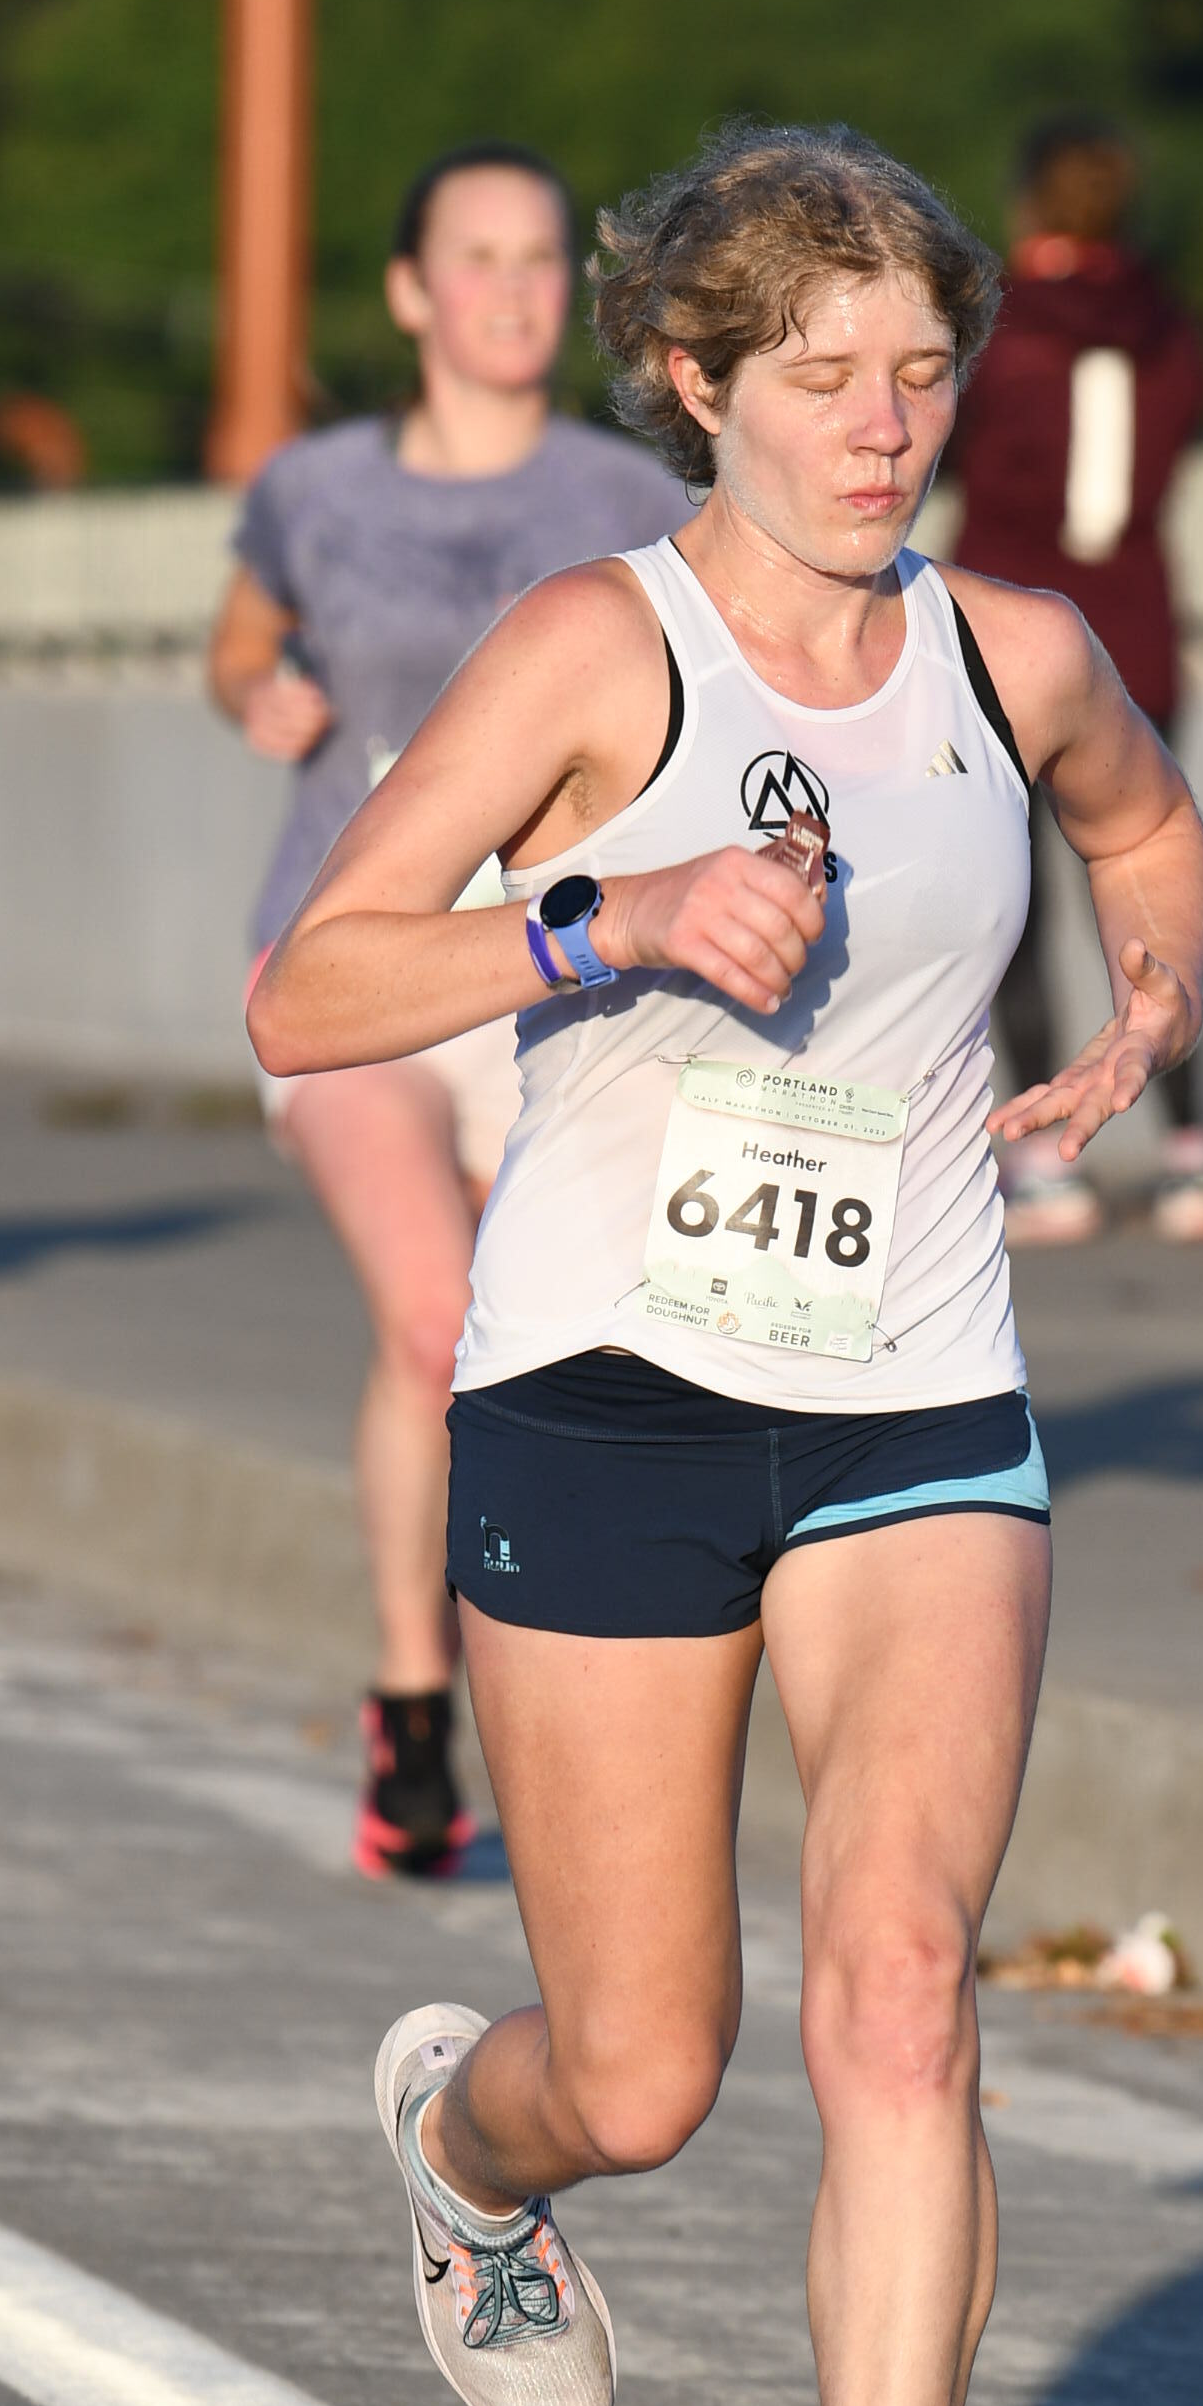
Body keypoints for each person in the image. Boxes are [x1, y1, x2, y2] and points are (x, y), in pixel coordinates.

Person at [249, 122, 1203, 2406]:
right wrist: (611, 919)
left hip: (921, 1397)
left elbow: (1140, 819)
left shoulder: (1010, 653)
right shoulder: (598, 646)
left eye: (920, 371)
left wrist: (1141, 1007)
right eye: (821, 377)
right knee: (646, 2069)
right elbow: (309, 987)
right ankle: (472, 2148)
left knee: (899, 1992)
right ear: (692, 382)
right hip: (609, 1392)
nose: (883, 425)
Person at [209, 147, 687, 1869]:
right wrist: (258, 695)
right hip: (356, 965)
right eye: (474, 259)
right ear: (410, 292)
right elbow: (239, 642)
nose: (511, 290)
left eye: (541, 258)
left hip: (562, 970)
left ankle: (571, 1693)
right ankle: (415, 1695)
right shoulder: (316, 486)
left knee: (555, 1344)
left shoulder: (635, 493)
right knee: (434, 1318)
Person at [946, 111, 1203, 1243]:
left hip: (1010, 635)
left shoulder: (997, 326)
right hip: (1137, 628)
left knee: (1012, 899)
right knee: (1154, 882)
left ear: (1028, 202)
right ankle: (1193, 1154)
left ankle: (1047, 1157)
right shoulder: (1173, 324)